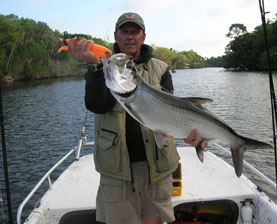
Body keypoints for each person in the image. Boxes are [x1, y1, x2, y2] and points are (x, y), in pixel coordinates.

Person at [68, 12, 207, 224]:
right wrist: (95, 67)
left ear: (143, 36)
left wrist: (191, 134)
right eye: (125, 31)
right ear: (116, 36)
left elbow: (171, 113)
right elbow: (97, 105)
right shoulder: (103, 64)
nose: (130, 37)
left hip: (157, 167)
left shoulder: (160, 68)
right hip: (117, 169)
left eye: (135, 32)